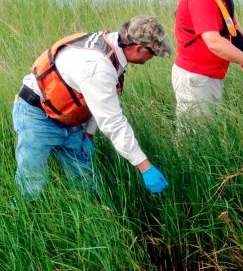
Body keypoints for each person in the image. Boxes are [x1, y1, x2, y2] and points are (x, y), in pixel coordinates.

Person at [12, 15, 172, 200]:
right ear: (137, 49)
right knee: (32, 183)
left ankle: (88, 217)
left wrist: (88, 134)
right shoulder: (97, 66)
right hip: (36, 115)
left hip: (69, 119)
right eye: (152, 53)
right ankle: (20, 217)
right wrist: (145, 167)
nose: (152, 58)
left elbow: (96, 99)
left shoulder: (114, 48)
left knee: (84, 181)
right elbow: (112, 121)